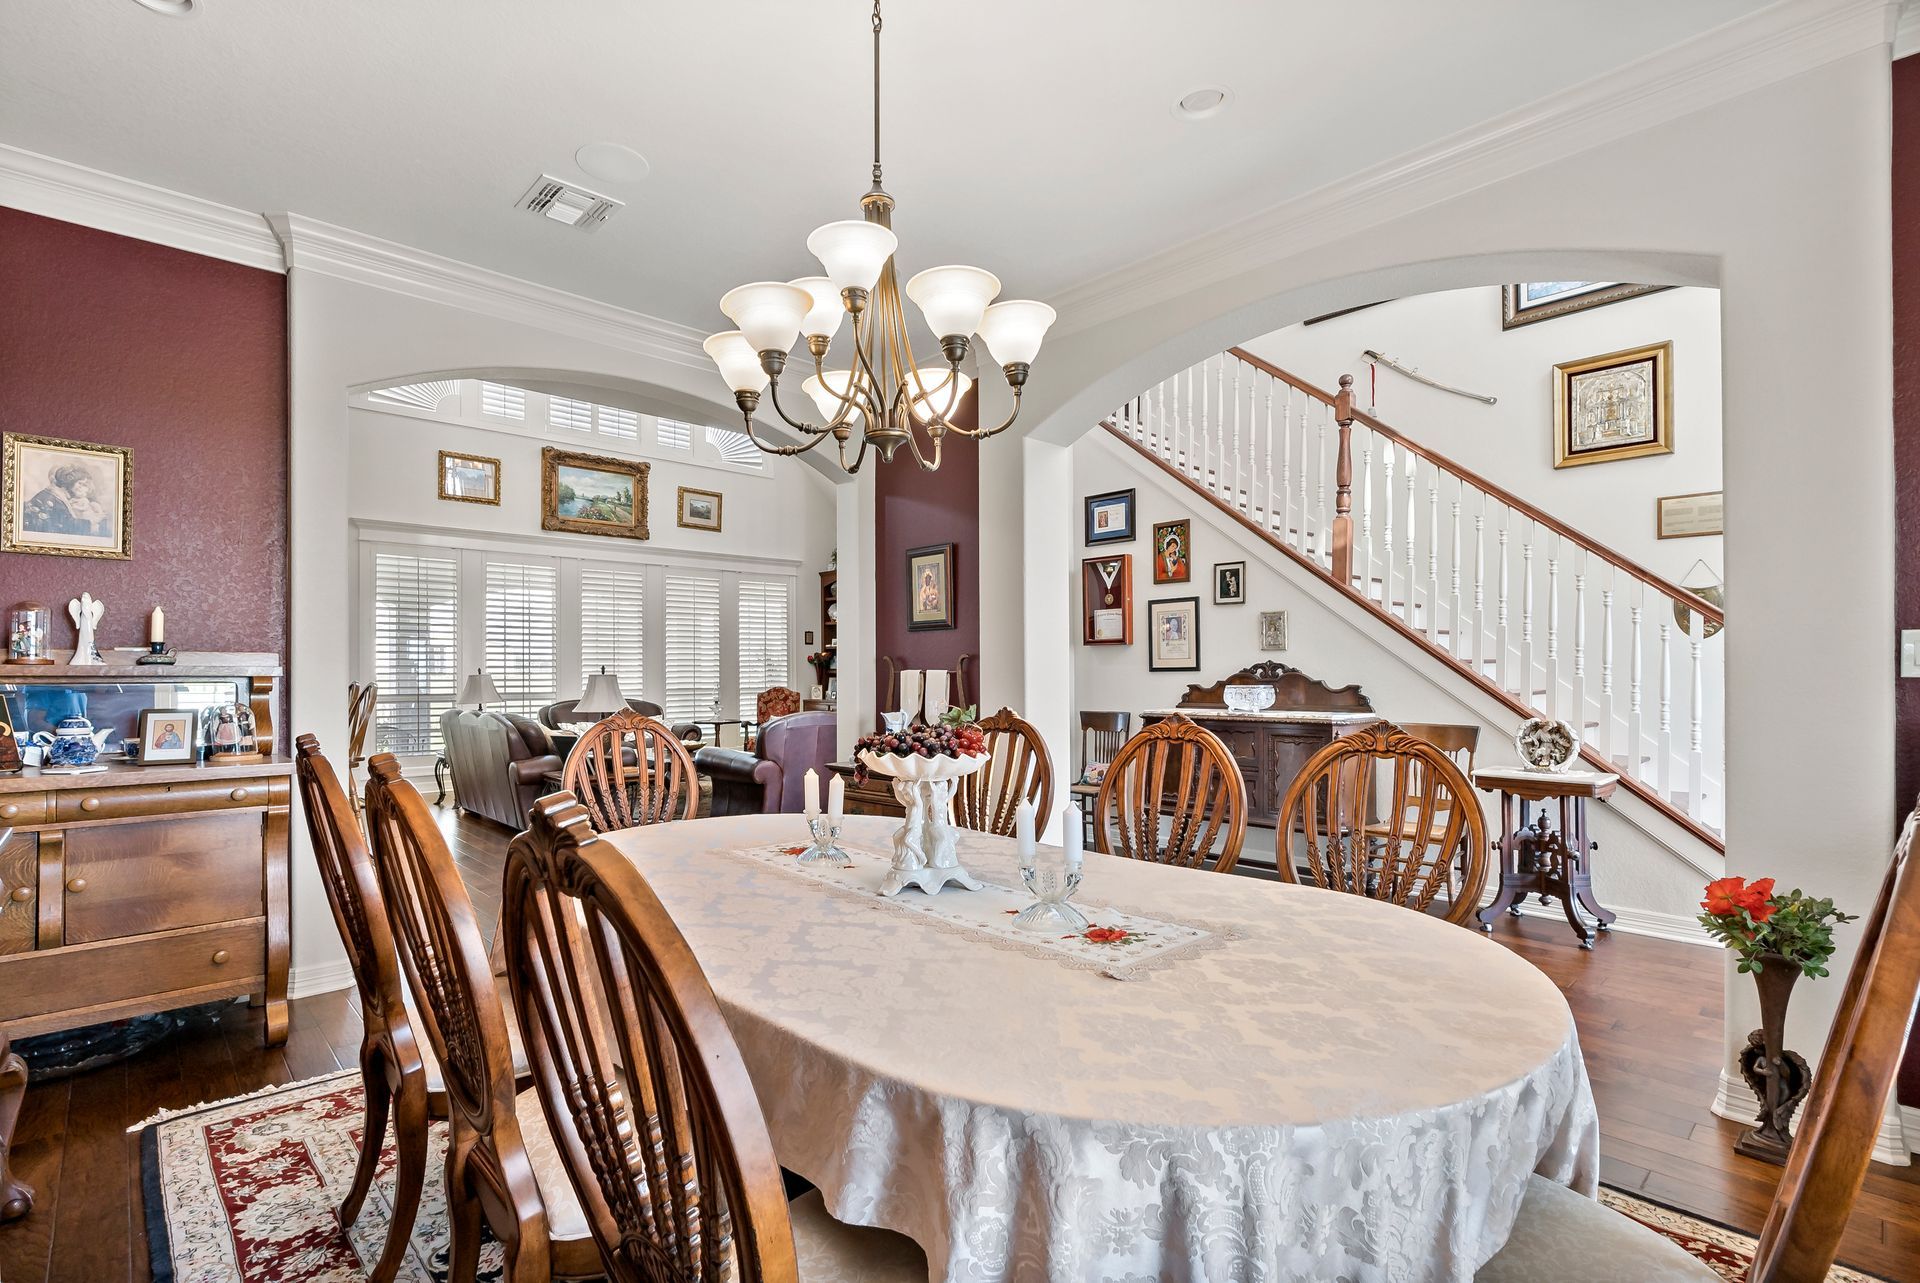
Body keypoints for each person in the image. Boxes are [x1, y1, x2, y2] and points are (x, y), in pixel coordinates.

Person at [22, 463, 109, 538]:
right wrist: (91, 523)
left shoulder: (54, 495)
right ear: (69, 481)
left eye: (85, 485)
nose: (83, 489)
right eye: (80, 484)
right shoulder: (52, 498)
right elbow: (66, 525)